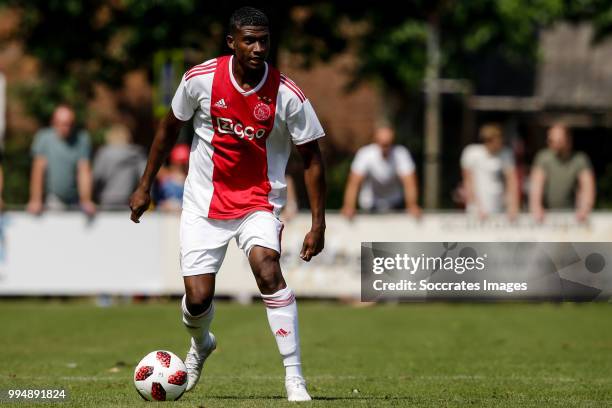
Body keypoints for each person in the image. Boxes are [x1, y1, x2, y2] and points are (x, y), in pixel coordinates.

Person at [129, 7, 325, 402]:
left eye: (264, 40)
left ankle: (294, 377)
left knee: (267, 269)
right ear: (231, 42)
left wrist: (319, 222)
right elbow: (167, 130)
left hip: (260, 200)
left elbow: (313, 158)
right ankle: (201, 343)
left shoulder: (287, 94)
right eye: (249, 40)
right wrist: (145, 185)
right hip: (204, 202)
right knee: (198, 299)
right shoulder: (199, 80)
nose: (258, 48)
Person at [27, 104, 95, 215]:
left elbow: (84, 171)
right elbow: (38, 171)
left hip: (75, 199)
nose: (65, 128)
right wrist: (35, 200)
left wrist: (86, 200)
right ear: (53, 122)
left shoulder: (82, 139)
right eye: (61, 124)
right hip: (53, 198)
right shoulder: (43, 138)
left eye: (69, 124)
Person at [341, 126, 421, 218]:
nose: (385, 147)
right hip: (370, 204)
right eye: (382, 144)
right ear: (376, 141)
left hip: (395, 203)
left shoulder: (401, 154)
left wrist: (412, 205)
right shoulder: (365, 154)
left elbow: (409, 182)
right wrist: (349, 206)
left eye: (388, 144)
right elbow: (354, 182)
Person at [529, 124, 595, 222]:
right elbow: (536, 184)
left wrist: (585, 208)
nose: (553, 144)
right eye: (551, 140)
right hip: (546, 213)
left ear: (568, 140)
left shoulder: (579, 159)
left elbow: (587, 186)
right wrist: (536, 206)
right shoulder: (543, 157)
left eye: (558, 141)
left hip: (572, 213)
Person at [460, 123, 519, 220]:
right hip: (477, 209)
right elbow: (468, 182)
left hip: (499, 206)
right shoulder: (471, 152)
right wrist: (476, 206)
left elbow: (512, 181)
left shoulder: (506, 154)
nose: (500, 143)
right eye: (497, 140)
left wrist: (513, 205)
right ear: (488, 140)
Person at [93, 124, 146, 209]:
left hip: (106, 199)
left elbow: (97, 177)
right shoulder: (137, 155)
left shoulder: (103, 154)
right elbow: (144, 177)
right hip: (129, 199)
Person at [155, 144, 189, 211]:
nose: (181, 166)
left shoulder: (189, 179)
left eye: (183, 164)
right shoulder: (165, 175)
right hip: (163, 213)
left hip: (182, 213)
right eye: (178, 163)